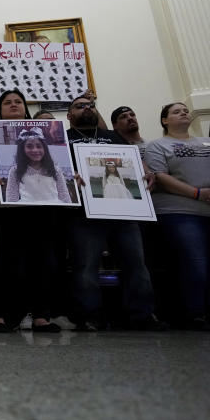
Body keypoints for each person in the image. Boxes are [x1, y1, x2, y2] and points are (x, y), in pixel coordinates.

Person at [65, 94, 160, 330]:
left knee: (137, 264)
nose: (87, 108)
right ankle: (89, 316)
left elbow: (134, 162)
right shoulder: (63, 139)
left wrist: (147, 172)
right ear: (69, 116)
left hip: (124, 211)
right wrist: (69, 178)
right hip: (83, 213)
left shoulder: (112, 136)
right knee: (86, 266)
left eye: (90, 105)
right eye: (79, 106)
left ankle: (141, 314)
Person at [146, 103, 210, 329]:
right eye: (176, 111)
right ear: (164, 120)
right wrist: (197, 193)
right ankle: (196, 313)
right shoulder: (158, 145)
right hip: (182, 211)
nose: (184, 113)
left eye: (185, 110)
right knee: (195, 261)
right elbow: (160, 176)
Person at [0, 89, 64, 333]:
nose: (13, 105)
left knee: (44, 259)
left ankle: (41, 315)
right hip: (9, 204)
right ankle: (0, 315)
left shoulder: (42, 132)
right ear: (0, 109)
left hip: (44, 203)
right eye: (7, 102)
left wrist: (69, 177)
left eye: (18, 101)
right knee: (9, 259)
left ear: (25, 107)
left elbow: (57, 159)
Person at [4, 127, 72, 204]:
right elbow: (11, 198)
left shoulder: (55, 169)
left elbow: (64, 195)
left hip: (53, 209)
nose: (35, 150)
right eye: (29, 146)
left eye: (39, 146)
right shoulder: (15, 170)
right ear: (22, 149)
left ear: (44, 149)